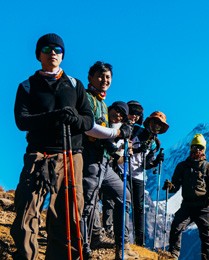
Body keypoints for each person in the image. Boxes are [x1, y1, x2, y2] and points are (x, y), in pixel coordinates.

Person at [11, 33, 94, 259]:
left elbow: (88, 120)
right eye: (47, 50)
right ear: (39, 55)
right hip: (38, 153)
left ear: (63, 55)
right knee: (27, 208)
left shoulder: (75, 85)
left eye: (57, 50)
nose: (53, 54)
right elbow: (22, 121)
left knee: (68, 213)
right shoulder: (27, 86)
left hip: (70, 154)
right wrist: (54, 117)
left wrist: (75, 120)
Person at [81, 61, 137, 259]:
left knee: (124, 195)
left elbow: (106, 139)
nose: (104, 80)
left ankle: (121, 245)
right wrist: (118, 132)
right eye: (100, 76)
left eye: (108, 78)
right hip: (89, 159)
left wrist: (114, 151)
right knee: (87, 202)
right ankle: (83, 245)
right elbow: (90, 129)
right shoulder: (86, 99)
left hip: (104, 162)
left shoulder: (104, 105)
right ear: (90, 77)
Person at [104, 107, 169, 247]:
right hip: (123, 169)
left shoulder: (155, 144)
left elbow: (146, 164)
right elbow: (123, 146)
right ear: (149, 122)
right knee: (122, 202)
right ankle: (121, 237)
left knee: (139, 208)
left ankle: (140, 242)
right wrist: (138, 149)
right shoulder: (135, 131)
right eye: (155, 123)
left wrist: (156, 162)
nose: (156, 127)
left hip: (139, 176)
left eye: (159, 125)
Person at [163, 134, 209, 260]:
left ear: (204, 149)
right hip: (187, 205)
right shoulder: (182, 167)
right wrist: (170, 186)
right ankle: (173, 255)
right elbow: (175, 186)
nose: (197, 150)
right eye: (195, 147)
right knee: (176, 227)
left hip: (203, 206)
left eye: (200, 147)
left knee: (206, 236)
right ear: (191, 148)